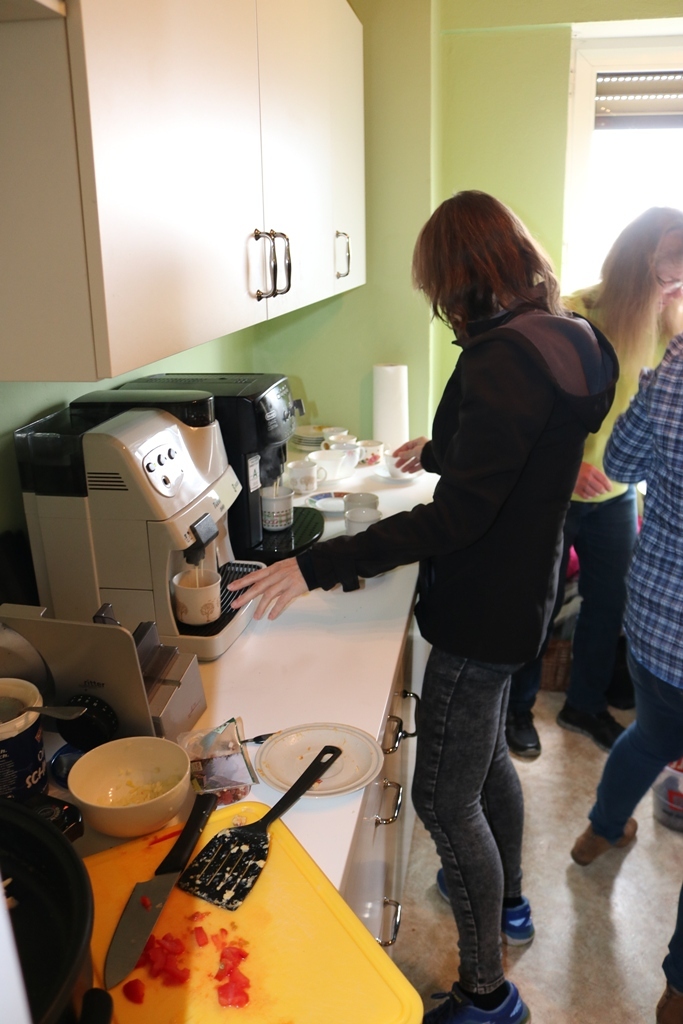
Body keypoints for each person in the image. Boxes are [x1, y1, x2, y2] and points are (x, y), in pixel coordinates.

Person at [228, 190, 617, 1024]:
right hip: (527, 589)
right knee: (483, 761)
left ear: (459, 277)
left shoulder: (500, 358)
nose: (440, 306)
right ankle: (507, 898)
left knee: (444, 800)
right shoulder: (572, 337)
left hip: (480, 608)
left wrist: (318, 563)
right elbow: (526, 448)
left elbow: (458, 518)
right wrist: (442, 449)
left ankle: (485, 992)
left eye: (438, 288)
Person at [506, 208, 683, 760]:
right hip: (558, 491)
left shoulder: (669, 325)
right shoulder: (572, 317)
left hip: (616, 495)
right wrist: (568, 465)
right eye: (666, 280)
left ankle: (583, 705)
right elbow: (526, 415)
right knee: (538, 604)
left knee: (610, 604)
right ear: (635, 270)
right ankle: (518, 709)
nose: (674, 293)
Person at [569, 332, 683, 1024]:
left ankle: (600, 830)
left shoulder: (675, 369)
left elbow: (620, 462)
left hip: (661, 619)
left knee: (649, 735)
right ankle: (679, 990)